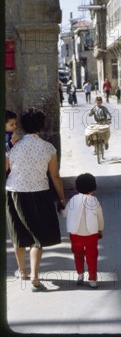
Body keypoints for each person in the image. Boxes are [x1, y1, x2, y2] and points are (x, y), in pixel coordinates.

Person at [5, 107, 65, 291]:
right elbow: (54, 176)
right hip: (40, 193)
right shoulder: (48, 148)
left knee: (18, 233)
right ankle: (35, 277)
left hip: (15, 192)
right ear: (42, 125)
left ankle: (22, 271)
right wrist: (62, 198)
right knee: (37, 238)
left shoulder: (13, 146)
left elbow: (6, 169)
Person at [62, 173, 104, 288]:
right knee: (92, 256)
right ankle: (92, 279)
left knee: (78, 254)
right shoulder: (95, 201)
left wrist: (60, 208)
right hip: (91, 234)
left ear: (77, 187)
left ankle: (80, 275)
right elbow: (100, 217)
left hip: (75, 234)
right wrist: (100, 230)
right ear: (94, 187)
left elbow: (65, 214)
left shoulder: (73, 200)